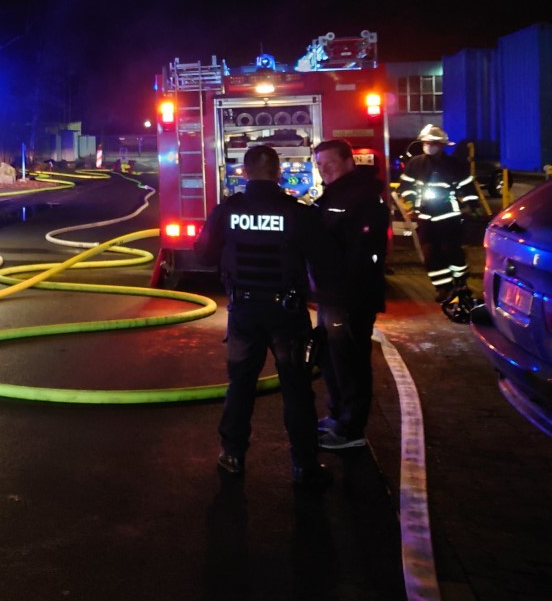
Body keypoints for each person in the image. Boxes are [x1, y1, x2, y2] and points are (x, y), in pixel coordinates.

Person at [193, 143, 333, 487]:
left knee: (240, 385)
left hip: (243, 311)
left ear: (244, 172)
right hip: (287, 314)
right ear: (279, 172)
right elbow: (323, 261)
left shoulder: (227, 211)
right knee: (296, 389)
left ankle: (233, 455)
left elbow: (204, 255)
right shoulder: (298, 212)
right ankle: (304, 464)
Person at [311, 139, 389, 451]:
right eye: (319, 165)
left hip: (349, 297)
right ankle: (337, 416)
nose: (324, 170)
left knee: (350, 361)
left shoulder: (363, 198)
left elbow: (362, 252)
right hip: (332, 296)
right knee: (332, 360)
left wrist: (342, 292)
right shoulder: (335, 195)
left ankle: (351, 428)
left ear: (348, 162)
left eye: (329, 163)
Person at [396, 125, 480, 303]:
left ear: (442, 145)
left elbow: (467, 186)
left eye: (433, 143)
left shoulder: (454, 165)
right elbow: (406, 187)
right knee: (430, 254)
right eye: (426, 142)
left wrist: (473, 205)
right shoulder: (415, 164)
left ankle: (460, 280)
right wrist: (411, 206)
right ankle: (443, 287)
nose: (429, 146)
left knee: (450, 250)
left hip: (449, 215)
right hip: (425, 217)